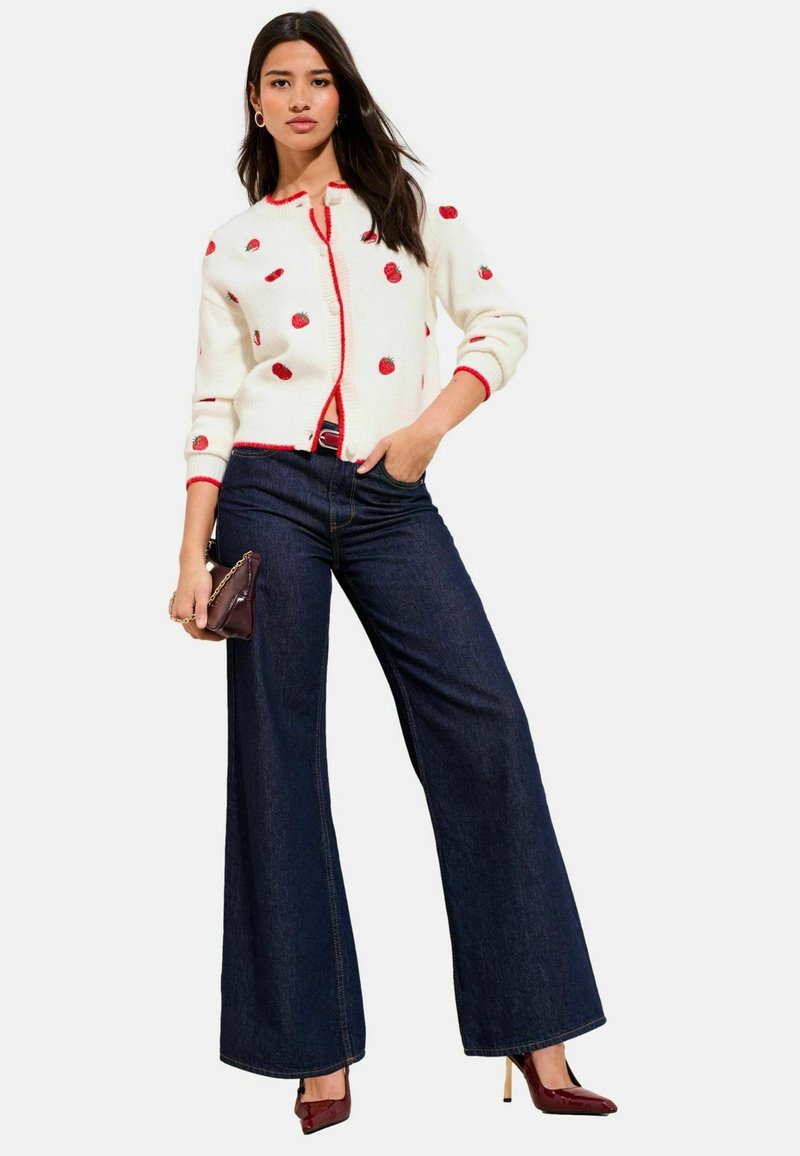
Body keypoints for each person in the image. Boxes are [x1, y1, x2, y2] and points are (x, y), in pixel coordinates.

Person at [170, 10, 618, 1135]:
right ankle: (312, 1052)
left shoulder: (407, 206)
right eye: (280, 81)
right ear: (255, 101)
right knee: (277, 757)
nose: (300, 98)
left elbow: (500, 322)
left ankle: (536, 1029)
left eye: (318, 79)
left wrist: (425, 433)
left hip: (388, 496)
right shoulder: (232, 244)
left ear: (344, 93)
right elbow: (212, 403)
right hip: (264, 497)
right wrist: (190, 555)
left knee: (484, 727)